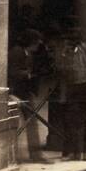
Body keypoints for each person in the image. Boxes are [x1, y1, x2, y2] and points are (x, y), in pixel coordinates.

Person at [52, 23, 86, 161]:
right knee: (70, 120)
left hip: (85, 86)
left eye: (73, 38)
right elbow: (59, 68)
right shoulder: (63, 50)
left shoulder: (84, 48)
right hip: (69, 87)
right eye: (69, 38)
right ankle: (70, 152)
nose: (70, 41)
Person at [9, 28, 52, 163]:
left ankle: (36, 155)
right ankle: (11, 156)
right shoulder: (16, 52)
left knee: (32, 122)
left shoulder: (29, 54)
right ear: (31, 42)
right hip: (15, 93)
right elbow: (11, 72)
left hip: (26, 92)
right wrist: (27, 74)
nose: (38, 45)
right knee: (13, 124)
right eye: (37, 43)